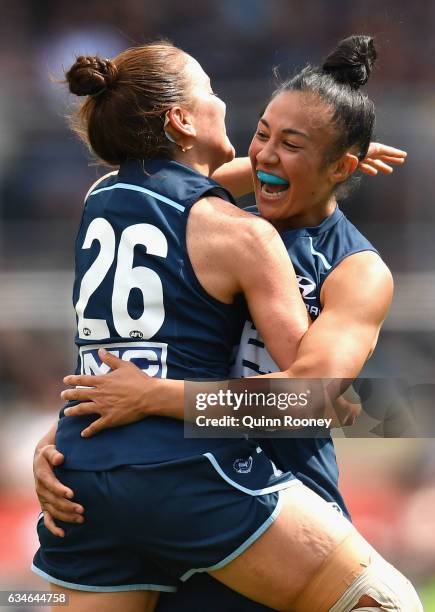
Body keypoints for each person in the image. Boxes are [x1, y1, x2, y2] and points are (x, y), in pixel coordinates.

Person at [33, 38, 422, 612]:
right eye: (262, 132)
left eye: (291, 144)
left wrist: (157, 400)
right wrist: (58, 437)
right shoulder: (221, 224)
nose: (264, 154)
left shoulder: (355, 270)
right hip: (202, 491)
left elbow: (311, 403)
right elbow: (134, 349)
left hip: (271, 499)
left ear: (342, 166)